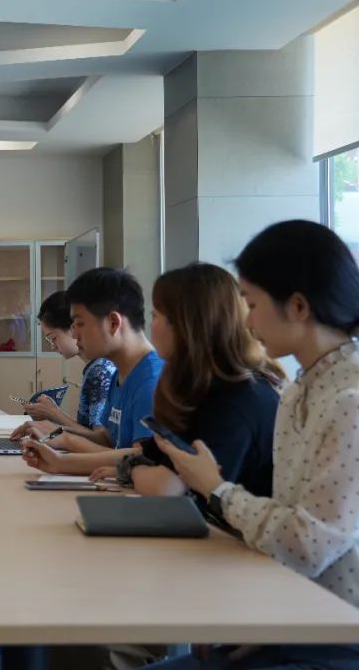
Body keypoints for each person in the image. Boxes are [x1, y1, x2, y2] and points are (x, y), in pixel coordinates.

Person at [147, 221, 359, 670]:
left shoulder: (350, 401)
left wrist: (217, 489)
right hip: (296, 620)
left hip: (339, 638)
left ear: (298, 306)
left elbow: (307, 544)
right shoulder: (299, 391)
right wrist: (267, 619)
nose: (246, 319)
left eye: (252, 303)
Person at [106, 264, 282, 504]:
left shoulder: (236, 399)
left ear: (185, 325)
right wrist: (137, 469)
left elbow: (166, 487)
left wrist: (132, 471)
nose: (151, 326)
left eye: (156, 316)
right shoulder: (199, 387)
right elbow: (154, 457)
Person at [15, 267, 163, 476]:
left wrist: (65, 452)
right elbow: (107, 440)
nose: (74, 334)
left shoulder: (152, 382)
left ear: (113, 322)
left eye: (79, 324)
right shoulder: (121, 374)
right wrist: (57, 432)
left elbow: (144, 457)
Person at [24, 290, 116, 430]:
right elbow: (87, 428)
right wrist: (53, 415)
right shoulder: (94, 367)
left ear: (74, 327)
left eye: (53, 338)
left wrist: (54, 414)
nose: (52, 346)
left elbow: (99, 438)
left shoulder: (100, 370)